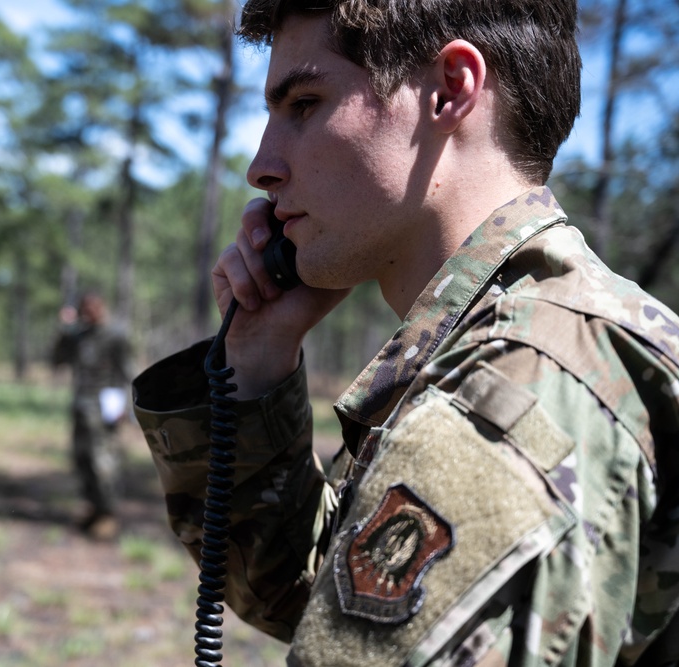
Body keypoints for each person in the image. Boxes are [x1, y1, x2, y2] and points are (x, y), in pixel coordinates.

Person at [132, 0, 679, 665]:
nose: (261, 166)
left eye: (303, 104)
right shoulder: (542, 336)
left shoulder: (508, 398)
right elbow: (325, 597)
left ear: (451, 89)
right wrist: (257, 357)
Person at [52, 291, 132, 539]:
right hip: (81, 405)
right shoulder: (78, 336)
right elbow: (57, 360)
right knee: (82, 458)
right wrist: (64, 329)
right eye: (85, 308)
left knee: (104, 462)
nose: (90, 313)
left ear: (102, 307)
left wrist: (123, 406)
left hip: (106, 405)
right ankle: (92, 508)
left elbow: (127, 372)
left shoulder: (116, 335)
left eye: (94, 307)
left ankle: (108, 513)